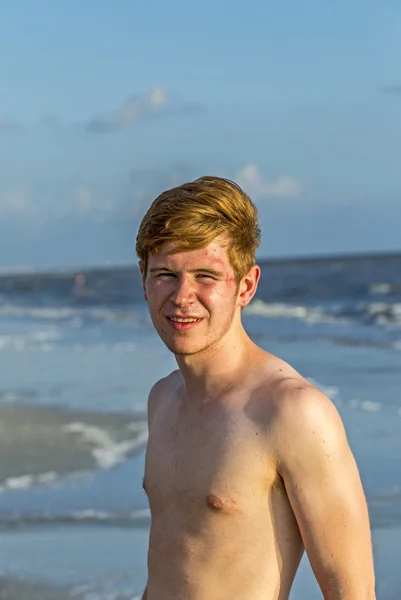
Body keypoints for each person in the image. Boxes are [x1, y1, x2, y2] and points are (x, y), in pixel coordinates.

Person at [135, 176, 376, 600]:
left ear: (246, 286)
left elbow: (352, 592)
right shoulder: (163, 398)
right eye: (166, 274)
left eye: (205, 276)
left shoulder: (292, 412)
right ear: (144, 280)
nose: (181, 296)